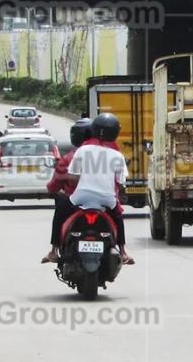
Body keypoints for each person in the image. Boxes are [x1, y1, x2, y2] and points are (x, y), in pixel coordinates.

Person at [41, 113, 133, 265]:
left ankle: (53, 251)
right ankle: (123, 252)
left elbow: (72, 176)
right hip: (107, 200)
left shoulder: (82, 150)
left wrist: (86, 178)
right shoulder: (118, 155)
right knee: (118, 218)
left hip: (81, 197)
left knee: (60, 212)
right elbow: (122, 183)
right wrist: (120, 193)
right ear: (116, 132)